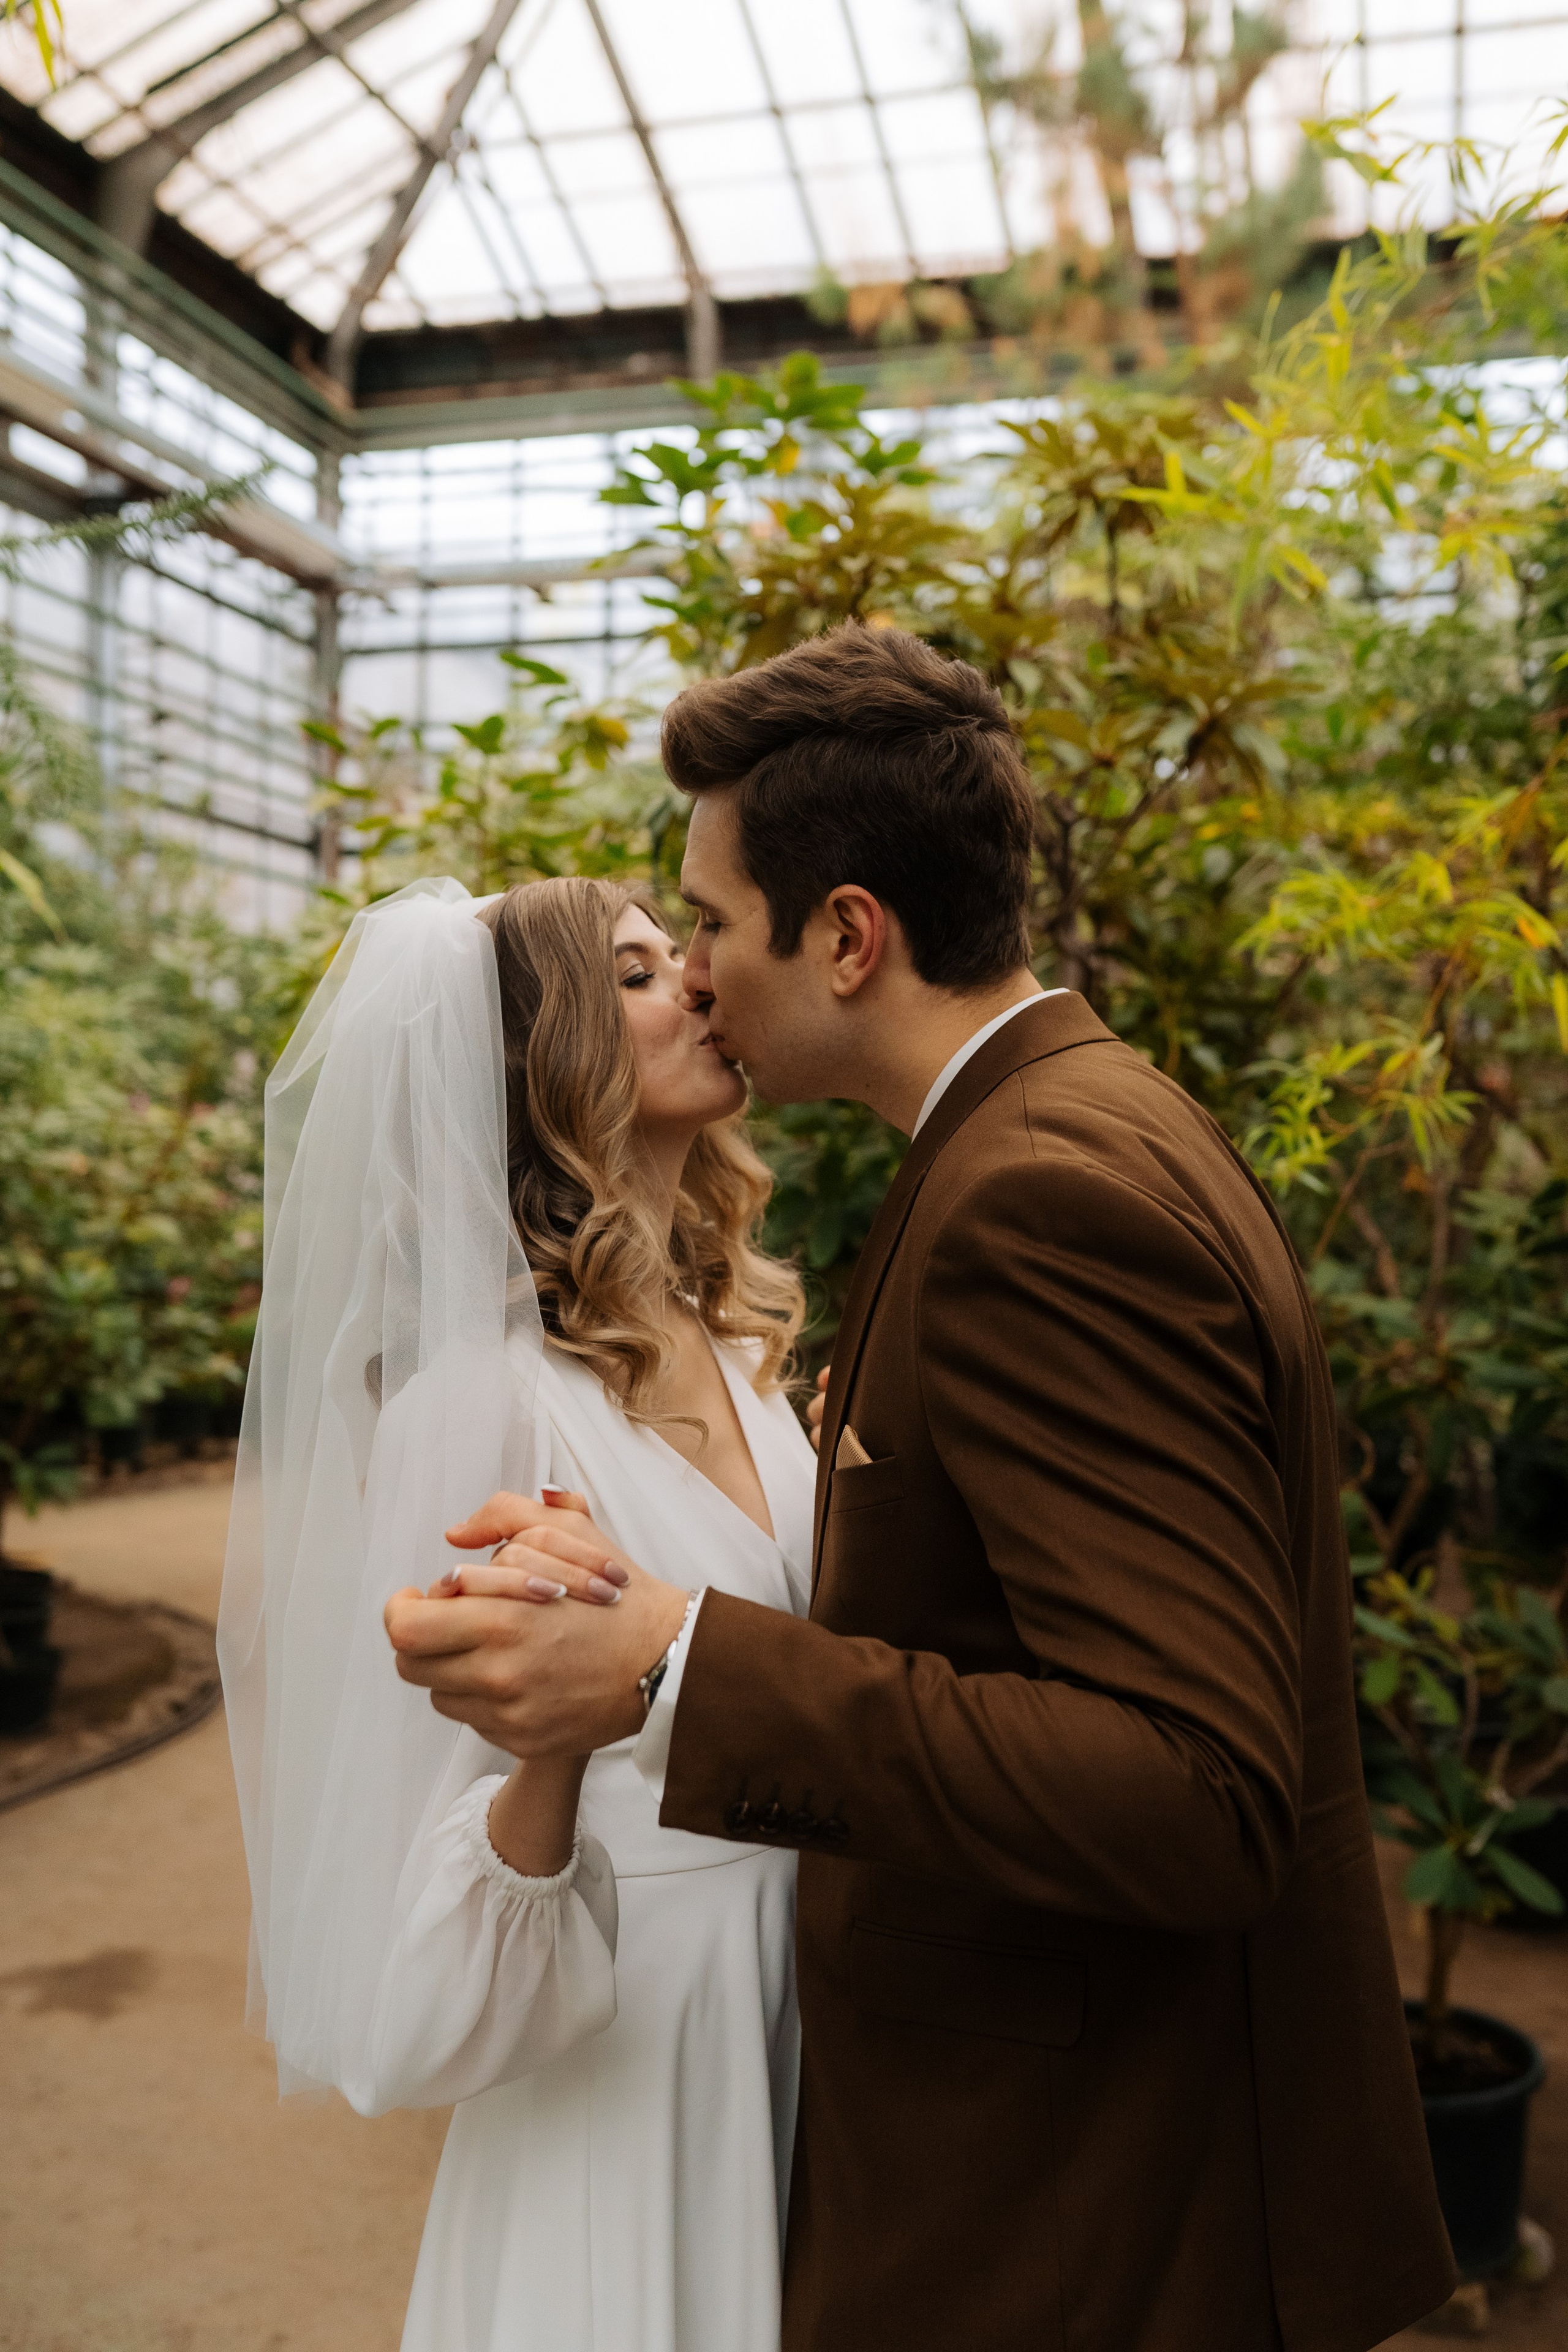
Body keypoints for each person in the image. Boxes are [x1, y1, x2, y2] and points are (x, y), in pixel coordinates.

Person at [390, 624, 1458, 2352]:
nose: (706, 977)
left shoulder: (1035, 1198)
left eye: (714, 928)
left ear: (848, 934)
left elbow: (1201, 1783)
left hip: (1078, 2175)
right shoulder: (1070, 1128)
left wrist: (673, 1662)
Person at [219, 874, 816, 2352]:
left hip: (814, 2006)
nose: (695, 983)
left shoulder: (743, 1355)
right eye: (633, 971)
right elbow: (412, 1916)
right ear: (536, 1063)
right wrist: (558, 1745)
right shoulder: (479, 1401)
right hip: (633, 2062)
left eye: (682, 953)